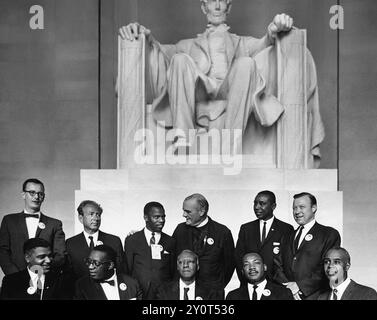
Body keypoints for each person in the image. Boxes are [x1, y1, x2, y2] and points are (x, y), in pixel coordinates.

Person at [119, 0, 293, 148]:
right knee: (179, 60)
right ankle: (183, 137)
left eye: (222, 1)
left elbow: (266, 43)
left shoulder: (242, 43)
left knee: (246, 63)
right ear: (204, 7)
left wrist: (274, 28)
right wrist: (144, 36)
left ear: (228, 7)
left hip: (231, 88)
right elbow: (158, 52)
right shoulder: (186, 45)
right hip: (200, 88)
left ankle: (230, 142)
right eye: (211, 0)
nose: (217, 6)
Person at [273, 192, 341, 300]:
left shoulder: (329, 234)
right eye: (294, 208)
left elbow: (328, 267)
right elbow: (277, 265)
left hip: (316, 296)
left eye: (302, 207)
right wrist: (289, 287)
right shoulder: (286, 236)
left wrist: (299, 286)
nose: (297, 211)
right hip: (287, 296)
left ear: (314, 208)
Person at [172, 193, 235, 295]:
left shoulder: (222, 232)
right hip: (185, 292)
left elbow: (229, 265)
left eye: (188, 211)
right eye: (183, 210)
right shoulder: (180, 230)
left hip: (213, 293)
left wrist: (217, 287)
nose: (183, 215)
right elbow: (173, 260)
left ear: (201, 211)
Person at [0, 178, 66, 275]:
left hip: (45, 279)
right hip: (15, 279)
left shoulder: (54, 224)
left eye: (40, 194)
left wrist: (43, 272)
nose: (36, 196)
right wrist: (15, 275)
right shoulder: (9, 220)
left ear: (43, 197)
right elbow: (3, 252)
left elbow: (60, 255)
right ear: (23, 195)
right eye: (32, 192)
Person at [235, 190, 293, 282]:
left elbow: (287, 261)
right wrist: (246, 282)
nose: (257, 207)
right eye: (255, 203)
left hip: (276, 287)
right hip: (251, 285)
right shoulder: (246, 228)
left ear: (273, 206)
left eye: (262, 203)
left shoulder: (286, 229)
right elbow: (239, 259)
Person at [124, 201, 176, 299]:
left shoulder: (171, 241)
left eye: (163, 217)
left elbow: (173, 271)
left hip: (163, 293)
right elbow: (127, 269)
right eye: (156, 217)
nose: (161, 220)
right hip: (139, 292)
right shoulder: (132, 240)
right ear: (146, 217)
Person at [66, 200, 124, 281]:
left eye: (98, 215)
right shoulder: (70, 243)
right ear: (80, 218)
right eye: (91, 214)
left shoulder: (114, 241)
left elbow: (121, 272)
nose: (96, 218)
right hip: (79, 291)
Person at [0, 238, 69, 300]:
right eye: (42, 257)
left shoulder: (60, 280)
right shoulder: (11, 281)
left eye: (50, 256)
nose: (48, 260)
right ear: (27, 258)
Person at [74, 245, 142, 300]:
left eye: (96, 263)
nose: (90, 267)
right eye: (89, 262)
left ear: (110, 265)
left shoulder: (132, 283)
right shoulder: (82, 286)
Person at [226, 252, 292, 300]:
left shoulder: (283, 293)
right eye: (246, 264)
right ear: (243, 271)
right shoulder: (233, 296)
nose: (252, 267)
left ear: (264, 267)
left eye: (256, 263)